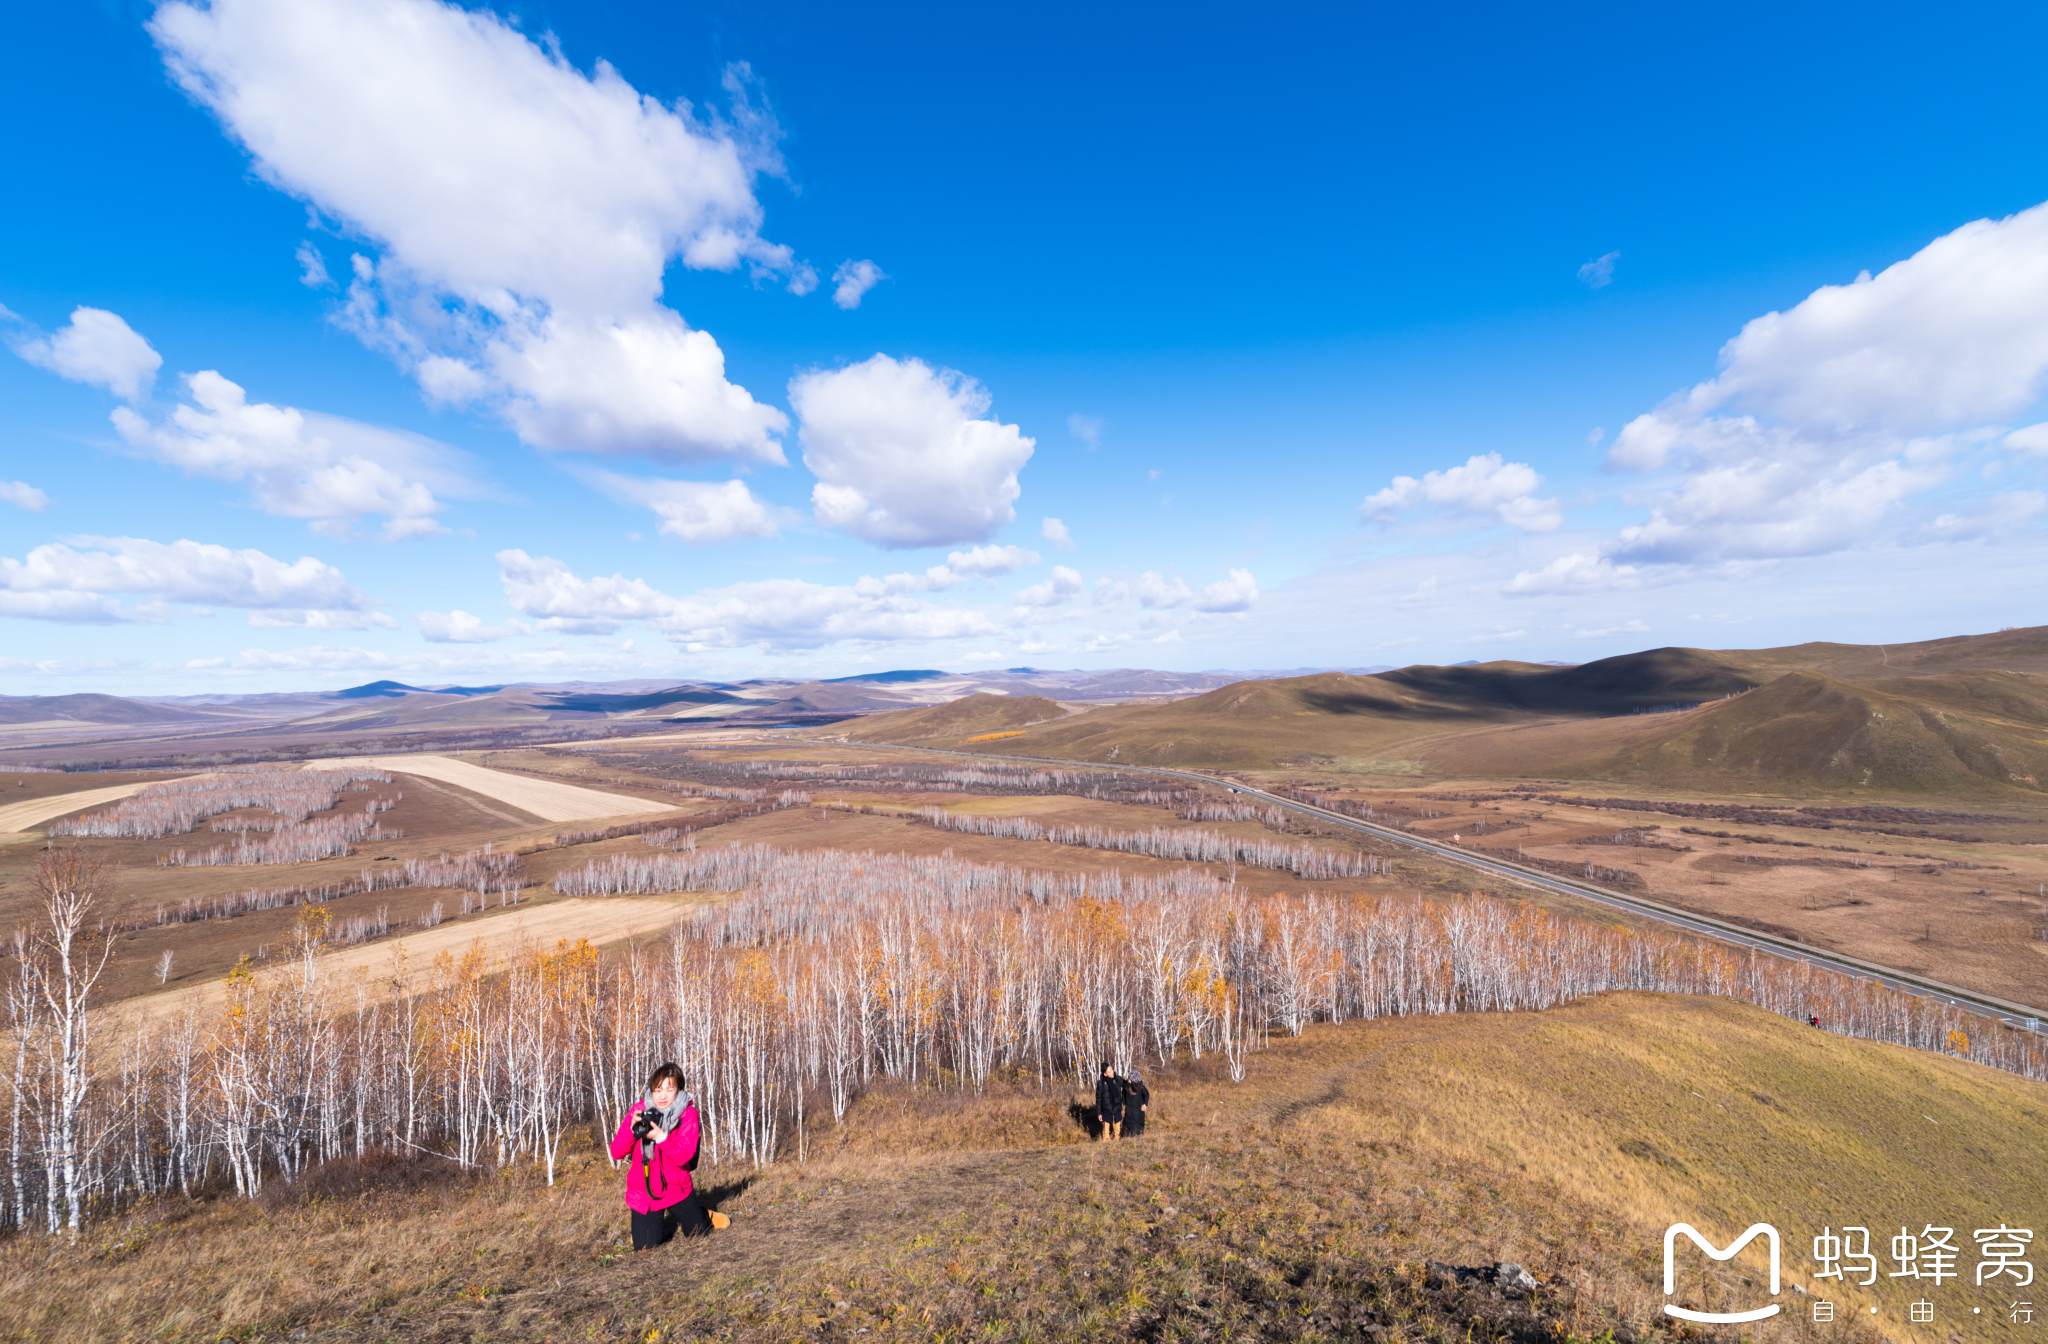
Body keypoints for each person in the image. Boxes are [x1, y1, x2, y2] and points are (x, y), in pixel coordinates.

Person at [610, 1062, 719, 1250]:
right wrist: (632, 1130)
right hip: (644, 1192)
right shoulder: (638, 1111)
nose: (663, 1096)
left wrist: (661, 1137)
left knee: (698, 1234)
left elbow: (684, 1156)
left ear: (678, 1089)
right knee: (645, 1248)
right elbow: (617, 1153)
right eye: (658, 1089)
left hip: (678, 1189)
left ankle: (703, 1215)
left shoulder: (687, 1114)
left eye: (670, 1089)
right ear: (651, 1089)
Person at [1094, 1061, 1125, 1140]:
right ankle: (1106, 1144)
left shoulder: (1118, 1079)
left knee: (1117, 1129)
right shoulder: (1101, 1083)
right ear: (1105, 1074)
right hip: (1106, 1109)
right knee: (1105, 1131)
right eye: (1109, 1072)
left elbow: (1126, 1085)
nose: (1112, 1072)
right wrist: (1099, 1113)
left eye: (1112, 1070)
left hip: (1117, 1107)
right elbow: (1099, 1099)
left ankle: (1116, 1142)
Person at [1122, 1069, 1151, 1137]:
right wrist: (1124, 1103)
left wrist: (1145, 1104)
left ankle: (1137, 1136)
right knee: (1127, 1123)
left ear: (1134, 1080)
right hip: (1128, 1110)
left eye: (1129, 1078)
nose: (1127, 1078)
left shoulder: (1141, 1088)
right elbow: (1123, 1094)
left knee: (1137, 1124)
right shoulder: (1126, 1087)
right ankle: (1126, 1136)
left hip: (1138, 1111)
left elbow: (1146, 1095)